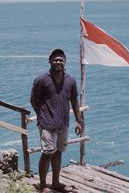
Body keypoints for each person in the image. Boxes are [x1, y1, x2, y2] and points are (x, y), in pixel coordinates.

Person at [30, 49, 83, 193]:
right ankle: (42, 186)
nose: (58, 62)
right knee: (47, 153)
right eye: (55, 60)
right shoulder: (41, 79)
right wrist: (41, 115)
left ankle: (55, 182)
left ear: (65, 61)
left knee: (58, 152)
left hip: (63, 123)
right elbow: (33, 99)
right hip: (47, 123)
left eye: (60, 60)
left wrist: (79, 120)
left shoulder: (70, 80)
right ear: (50, 61)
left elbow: (74, 100)